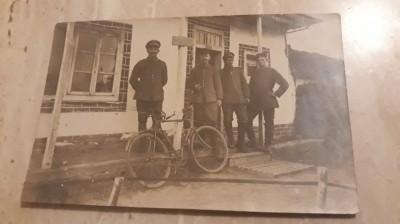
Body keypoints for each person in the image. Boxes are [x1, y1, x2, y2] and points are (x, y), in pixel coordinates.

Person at [246, 52, 289, 152]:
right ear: (257, 62)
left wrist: (276, 93)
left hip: (268, 101)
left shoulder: (272, 71)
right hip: (255, 101)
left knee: (269, 123)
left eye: (263, 60)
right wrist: (248, 97)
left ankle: (268, 145)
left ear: (266, 60)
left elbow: (285, 84)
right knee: (246, 120)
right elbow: (250, 87)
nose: (261, 62)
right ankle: (253, 141)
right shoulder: (255, 73)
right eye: (259, 60)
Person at [129, 40, 168, 131]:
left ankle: (155, 141)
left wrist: (155, 88)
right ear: (147, 50)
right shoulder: (141, 63)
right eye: (151, 49)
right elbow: (132, 80)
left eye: (155, 49)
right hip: (143, 98)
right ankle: (142, 141)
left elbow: (164, 80)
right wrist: (141, 89)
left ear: (158, 51)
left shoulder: (162, 64)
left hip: (157, 98)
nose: (153, 51)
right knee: (142, 120)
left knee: (157, 121)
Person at [219, 52, 251, 152]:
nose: (230, 62)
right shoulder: (220, 72)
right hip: (227, 101)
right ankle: (231, 141)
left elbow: (244, 84)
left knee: (243, 120)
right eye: (228, 60)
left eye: (231, 60)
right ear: (224, 61)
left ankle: (241, 143)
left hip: (239, 100)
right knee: (228, 120)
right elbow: (218, 86)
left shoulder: (238, 71)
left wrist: (246, 96)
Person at [188, 49, 223, 128]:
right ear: (200, 57)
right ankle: (202, 140)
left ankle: (213, 140)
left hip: (211, 100)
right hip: (198, 100)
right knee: (199, 122)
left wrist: (219, 98)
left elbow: (218, 85)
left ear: (209, 57)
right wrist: (194, 86)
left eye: (206, 56)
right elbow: (188, 83)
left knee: (212, 121)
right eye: (202, 56)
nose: (204, 58)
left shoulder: (214, 69)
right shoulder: (195, 70)